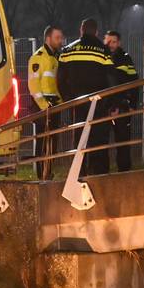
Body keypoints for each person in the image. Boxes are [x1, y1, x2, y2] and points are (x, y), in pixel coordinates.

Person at [57, 17, 120, 176]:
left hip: (77, 104)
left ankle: (78, 174)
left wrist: (68, 100)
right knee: (98, 142)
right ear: (96, 32)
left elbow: (60, 80)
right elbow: (111, 78)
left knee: (79, 140)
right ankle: (98, 176)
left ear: (81, 30)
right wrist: (111, 103)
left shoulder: (68, 50)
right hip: (99, 104)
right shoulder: (103, 50)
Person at [27, 25, 65, 179]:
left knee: (53, 143)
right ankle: (41, 175)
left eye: (61, 37)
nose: (60, 40)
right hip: (42, 106)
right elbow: (33, 85)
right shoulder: (38, 57)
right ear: (48, 38)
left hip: (54, 105)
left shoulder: (56, 57)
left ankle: (48, 173)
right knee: (43, 143)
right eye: (57, 38)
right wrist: (43, 106)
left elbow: (55, 84)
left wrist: (60, 103)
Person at [103, 30, 139, 172]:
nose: (110, 44)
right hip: (104, 107)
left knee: (123, 143)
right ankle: (102, 174)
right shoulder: (101, 56)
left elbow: (134, 83)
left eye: (113, 41)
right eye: (108, 41)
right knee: (101, 144)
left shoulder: (125, 59)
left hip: (123, 107)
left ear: (119, 43)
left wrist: (133, 105)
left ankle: (124, 173)